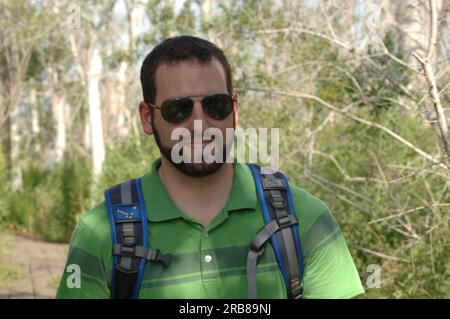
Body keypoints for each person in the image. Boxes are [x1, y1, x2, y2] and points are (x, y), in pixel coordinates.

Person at [56, 35, 364, 299]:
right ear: (147, 118)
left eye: (216, 105)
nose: (200, 125)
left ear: (234, 109)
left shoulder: (303, 219)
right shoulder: (101, 233)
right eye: (179, 109)